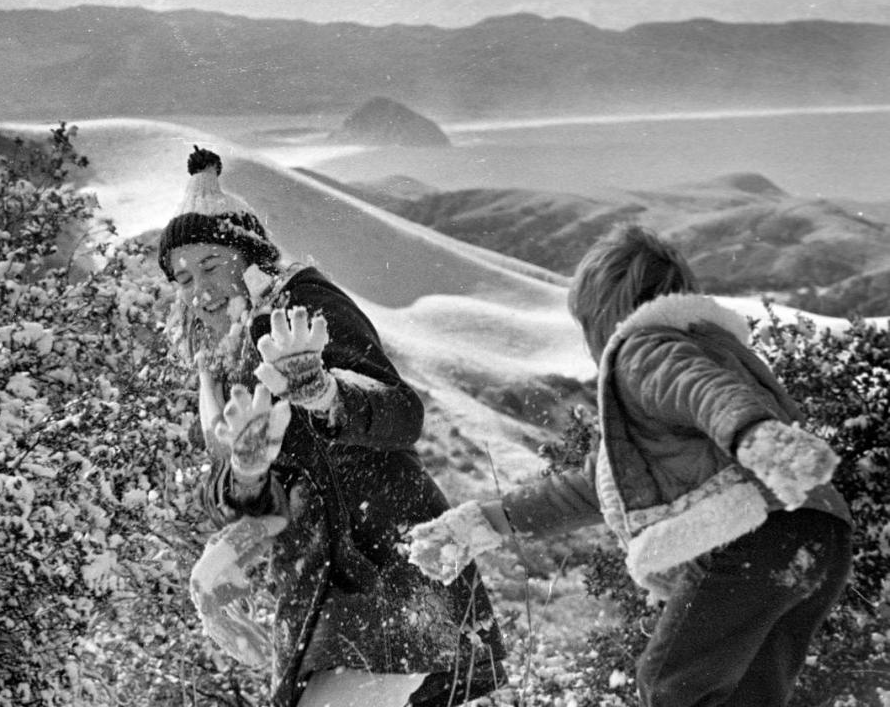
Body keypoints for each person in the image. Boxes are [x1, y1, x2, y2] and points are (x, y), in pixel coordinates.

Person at [408, 224, 852, 707]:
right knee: (749, 696)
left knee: (670, 685)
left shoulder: (644, 351)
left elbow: (702, 390)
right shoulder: (713, 350)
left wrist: (753, 435)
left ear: (604, 314)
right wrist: (483, 522)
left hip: (753, 535)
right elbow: (591, 487)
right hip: (819, 533)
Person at [159, 146, 507, 707]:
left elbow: (401, 414)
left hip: (385, 555)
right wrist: (248, 471)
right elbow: (248, 497)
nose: (197, 290)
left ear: (248, 257)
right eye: (182, 277)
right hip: (322, 576)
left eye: (209, 265)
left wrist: (325, 394)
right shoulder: (217, 359)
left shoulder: (299, 306)